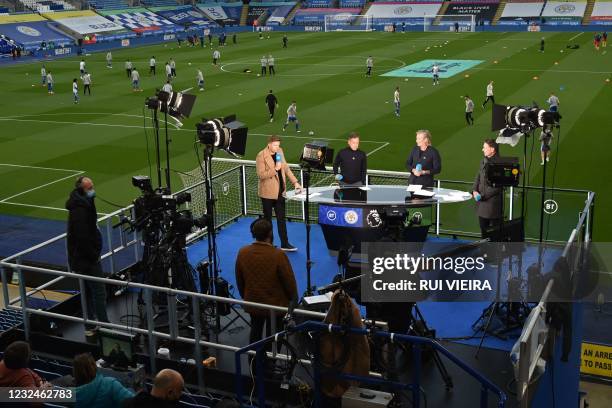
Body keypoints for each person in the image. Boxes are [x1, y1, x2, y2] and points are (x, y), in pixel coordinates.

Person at [235, 218, 298, 346]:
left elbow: (239, 281)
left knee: (255, 332)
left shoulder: (243, 252)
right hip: (275, 306)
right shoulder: (278, 255)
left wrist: (247, 297)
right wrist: (293, 301)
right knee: (274, 337)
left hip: (253, 302)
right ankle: (271, 362)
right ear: (270, 233)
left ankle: (253, 361)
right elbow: (289, 283)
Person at [66, 176, 110, 335]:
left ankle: (90, 325)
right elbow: (82, 237)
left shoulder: (82, 203)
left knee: (87, 290)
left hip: (82, 258)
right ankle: (104, 326)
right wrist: (94, 255)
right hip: (86, 259)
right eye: (89, 187)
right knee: (98, 290)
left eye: (92, 186)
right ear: (82, 190)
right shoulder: (80, 210)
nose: (93, 190)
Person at [255, 135, 302, 251]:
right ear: (269, 144)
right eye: (275, 145)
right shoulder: (261, 155)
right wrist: (275, 169)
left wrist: (295, 182)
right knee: (267, 221)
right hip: (267, 194)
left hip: (280, 192)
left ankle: (285, 244)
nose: (277, 147)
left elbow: (286, 168)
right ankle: (268, 245)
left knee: (282, 220)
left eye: (278, 145)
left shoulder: (280, 151)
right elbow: (261, 175)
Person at [472, 139, 503, 237]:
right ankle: (485, 251)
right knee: (483, 231)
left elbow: (498, 186)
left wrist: (482, 196)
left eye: (485, 147)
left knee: (494, 234)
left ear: (492, 149)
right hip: (481, 203)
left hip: (492, 206)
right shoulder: (483, 160)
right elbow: (478, 176)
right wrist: (474, 190)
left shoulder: (499, 163)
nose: (482, 149)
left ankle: (494, 252)